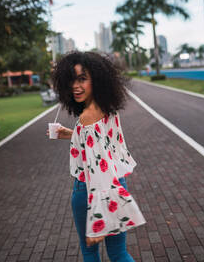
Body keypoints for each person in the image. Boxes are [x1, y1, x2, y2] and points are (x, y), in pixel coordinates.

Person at [49, 50, 146, 262]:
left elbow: (97, 169)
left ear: (97, 79)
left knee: (90, 254)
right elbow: (98, 143)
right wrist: (69, 133)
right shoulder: (107, 107)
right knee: (119, 253)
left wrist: (98, 221)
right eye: (71, 80)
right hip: (116, 184)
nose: (75, 86)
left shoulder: (86, 116)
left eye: (82, 79)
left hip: (92, 191)